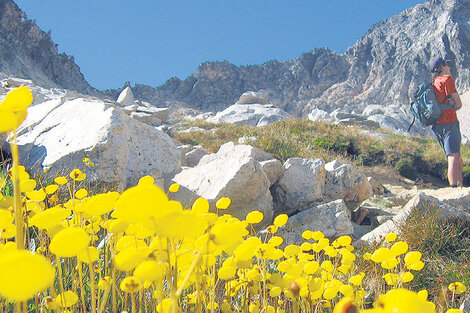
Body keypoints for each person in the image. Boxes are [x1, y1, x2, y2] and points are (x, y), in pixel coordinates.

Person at [430, 57, 463, 187]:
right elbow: (459, 104)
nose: (449, 68)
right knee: (453, 156)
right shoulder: (447, 80)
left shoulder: (433, 82)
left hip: (437, 124)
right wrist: (453, 104)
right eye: (447, 65)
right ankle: (454, 187)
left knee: (455, 155)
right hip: (449, 121)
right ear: (443, 67)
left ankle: (460, 187)